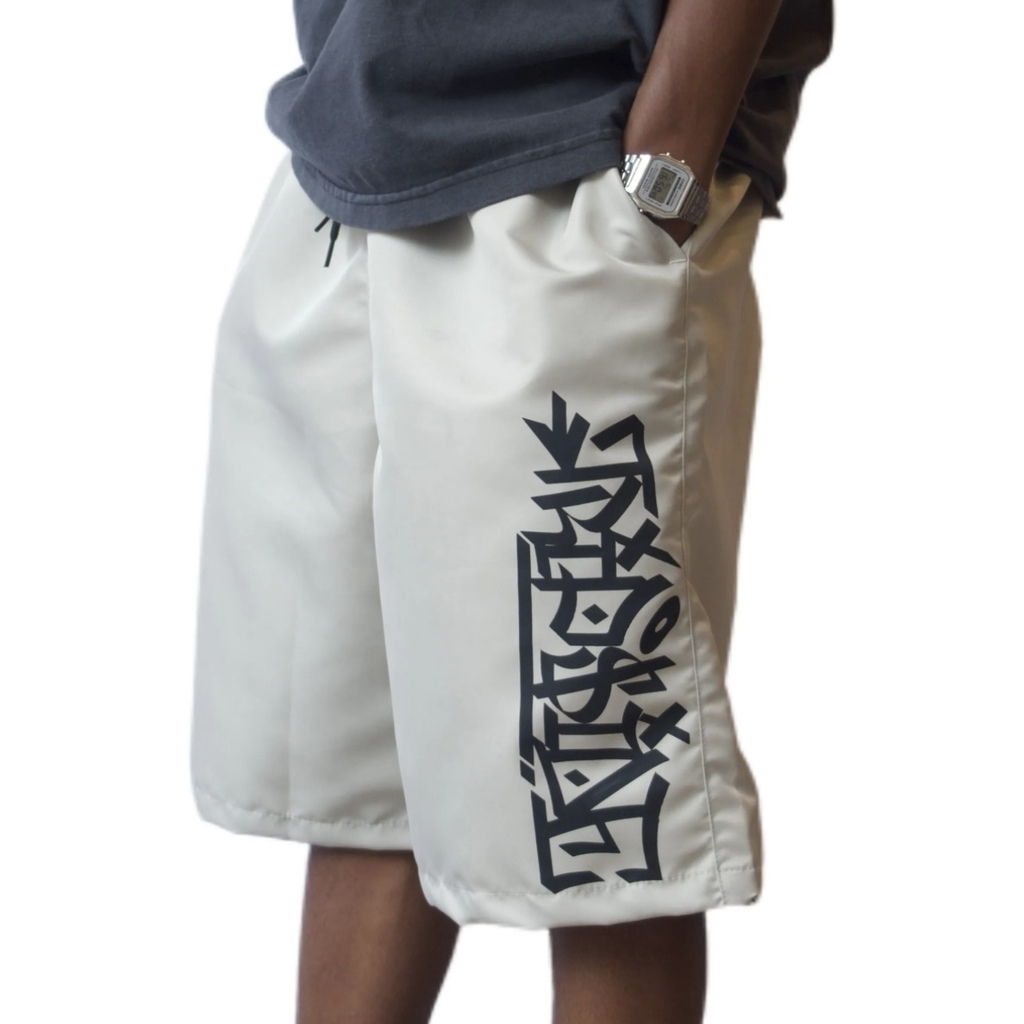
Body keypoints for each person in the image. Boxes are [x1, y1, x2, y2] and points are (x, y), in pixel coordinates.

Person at [189, 1, 833, 1021]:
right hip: (349, 154)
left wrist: (663, 169)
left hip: (577, 158)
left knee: (602, 821)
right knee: (372, 785)